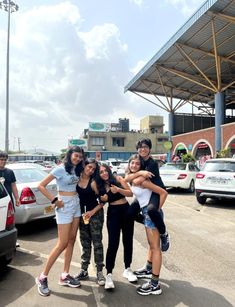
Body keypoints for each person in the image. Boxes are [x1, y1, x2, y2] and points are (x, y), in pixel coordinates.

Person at [35, 146, 84, 296]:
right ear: (70, 155)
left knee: (71, 240)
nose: (78, 159)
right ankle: (42, 277)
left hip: (76, 203)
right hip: (64, 205)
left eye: (80, 157)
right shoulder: (59, 169)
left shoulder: (77, 169)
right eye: (76, 156)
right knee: (62, 243)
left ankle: (64, 275)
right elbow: (41, 186)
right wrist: (54, 200)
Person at [125, 138, 169, 278]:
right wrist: (140, 172)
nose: (143, 149)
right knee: (130, 213)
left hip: (156, 192)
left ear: (150, 149)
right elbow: (128, 177)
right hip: (144, 196)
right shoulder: (139, 161)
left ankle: (164, 234)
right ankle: (148, 267)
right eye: (140, 147)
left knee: (151, 211)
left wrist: (138, 176)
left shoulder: (151, 163)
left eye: (145, 147)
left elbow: (137, 181)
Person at [94, 162, 137, 290]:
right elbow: (100, 201)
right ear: (98, 174)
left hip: (126, 210)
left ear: (109, 170)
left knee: (128, 241)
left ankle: (127, 269)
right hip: (113, 214)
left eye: (105, 170)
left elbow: (130, 193)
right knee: (113, 244)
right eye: (101, 172)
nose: (104, 173)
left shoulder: (118, 178)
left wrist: (118, 190)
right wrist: (103, 199)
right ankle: (109, 274)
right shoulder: (99, 185)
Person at [75, 158, 105, 286]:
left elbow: (102, 201)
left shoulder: (93, 182)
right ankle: (84, 270)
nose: (91, 170)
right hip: (82, 216)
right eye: (89, 167)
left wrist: (92, 212)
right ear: (84, 166)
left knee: (97, 243)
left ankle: (99, 272)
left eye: (93, 169)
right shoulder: (76, 179)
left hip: (95, 215)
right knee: (85, 242)